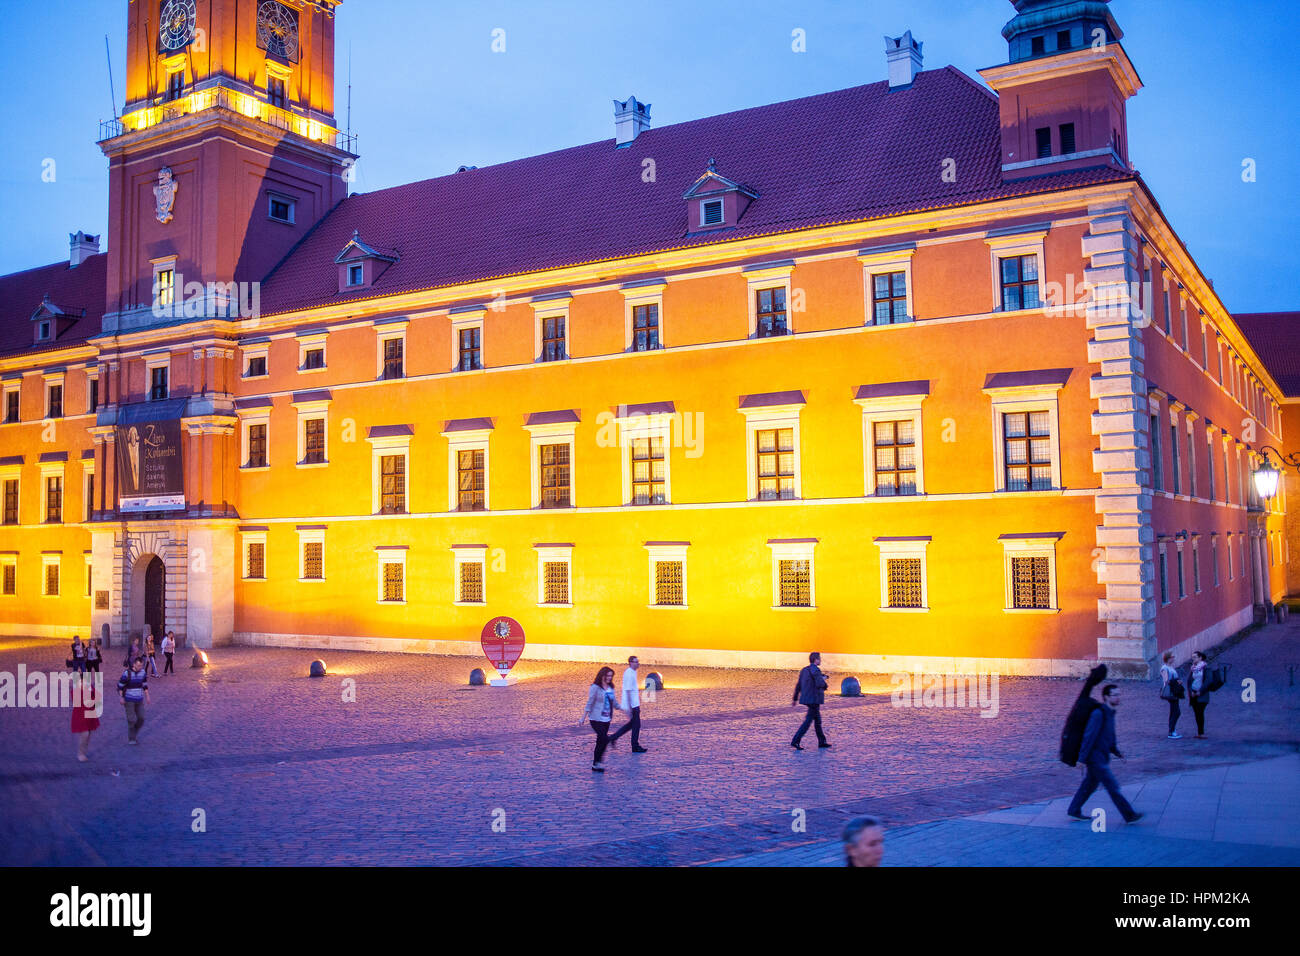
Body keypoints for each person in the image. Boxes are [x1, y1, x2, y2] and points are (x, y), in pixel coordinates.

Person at [1067, 684, 1142, 824]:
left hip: (1102, 756)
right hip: (1095, 758)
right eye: (1115, 695)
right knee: (1112, 785)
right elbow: (1089, 737)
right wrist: (1081, 759)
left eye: (1119, 694)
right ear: (1106, 697)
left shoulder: (1110, 713)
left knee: (1089, 785)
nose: (1118, 697)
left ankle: (1074, 809)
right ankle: (1129, 815)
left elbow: (1109, 736)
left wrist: (1117, 752)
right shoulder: (1099, 714)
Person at [581, 666, 624, 772]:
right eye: (608, 676)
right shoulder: (595, 687)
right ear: (602, 675)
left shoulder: (610, 687)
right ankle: (611, 739)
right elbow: (590, 702)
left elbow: (614, 702)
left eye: (611, 676)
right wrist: (583, 717)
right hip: (595, 719)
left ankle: (596, 764)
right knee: (604, 738)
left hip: (606, 719)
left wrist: (622, 709)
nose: (609, 678)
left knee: (600, 741)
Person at [791, 651, 831, 750]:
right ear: (815, 660)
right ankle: (795, 741)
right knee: (808, 722)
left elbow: (799, 684)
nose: (820, 660)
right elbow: (819, 683)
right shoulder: (816, 670)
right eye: (819, 658)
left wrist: (795, 698)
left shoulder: (804, 670)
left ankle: (822, 741)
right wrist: (825, 683)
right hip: (814, 699)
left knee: (817, 720)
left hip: (807, 699)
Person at [607, 655, 647, 753]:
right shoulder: (629, 673)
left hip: (634, 704)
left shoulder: (633, 672)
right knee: (636, 725)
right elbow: (628, 691)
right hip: (632, 705)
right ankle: (635, 746)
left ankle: (613, 737)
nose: (638, 663)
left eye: (638, 661)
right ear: (631, 663)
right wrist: (629, 707)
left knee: (631, 725)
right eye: (636, 662)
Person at [117, 656, 150, 745]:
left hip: (139, 699)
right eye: (138, 665)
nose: (140, 667)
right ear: (134, 664)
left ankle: (134, 731)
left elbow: (144, 684)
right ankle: (132, 738)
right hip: (129, 700)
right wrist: (121, 697)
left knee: (141, 718)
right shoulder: (127, 673)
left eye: (141, 666)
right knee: (131, 719)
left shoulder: (142, 672)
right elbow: (120, 686)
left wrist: (147, 696)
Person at [70, 672, 100, 762]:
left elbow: (97, 698)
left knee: (88, 734)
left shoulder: (90, 689)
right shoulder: (75, 690)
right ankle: (80, 754)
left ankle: (84, 752)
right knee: (85, 734)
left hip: (90, 713)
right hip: (80, 715)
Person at [1159, 650, 1182, 739]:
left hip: (1175, 690)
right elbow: (1166, 680)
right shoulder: (1164, 668)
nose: (1173, 658)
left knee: (1175, 711)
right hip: (1170, 691)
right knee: (1176, 712)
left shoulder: (1171, 667)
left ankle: (1172, 730)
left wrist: (1178, 681)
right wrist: (1176, 681)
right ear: (1168, 658)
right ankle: (1171, 731)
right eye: (1172, 657)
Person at [1187, 650, 1210, 739]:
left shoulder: (1205, 668)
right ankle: (1199, 733)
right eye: (1192, 657)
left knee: (1200, 712)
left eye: (1195, 657)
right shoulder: (1193, 668)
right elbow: (1189, 681)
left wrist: (1200, 691)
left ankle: (1202, 733)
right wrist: (1191, 691)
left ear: (1200, 658)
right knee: (1197, 713)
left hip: (1202, 695)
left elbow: (1208, 681)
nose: (1193, 659)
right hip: (1193, 694)